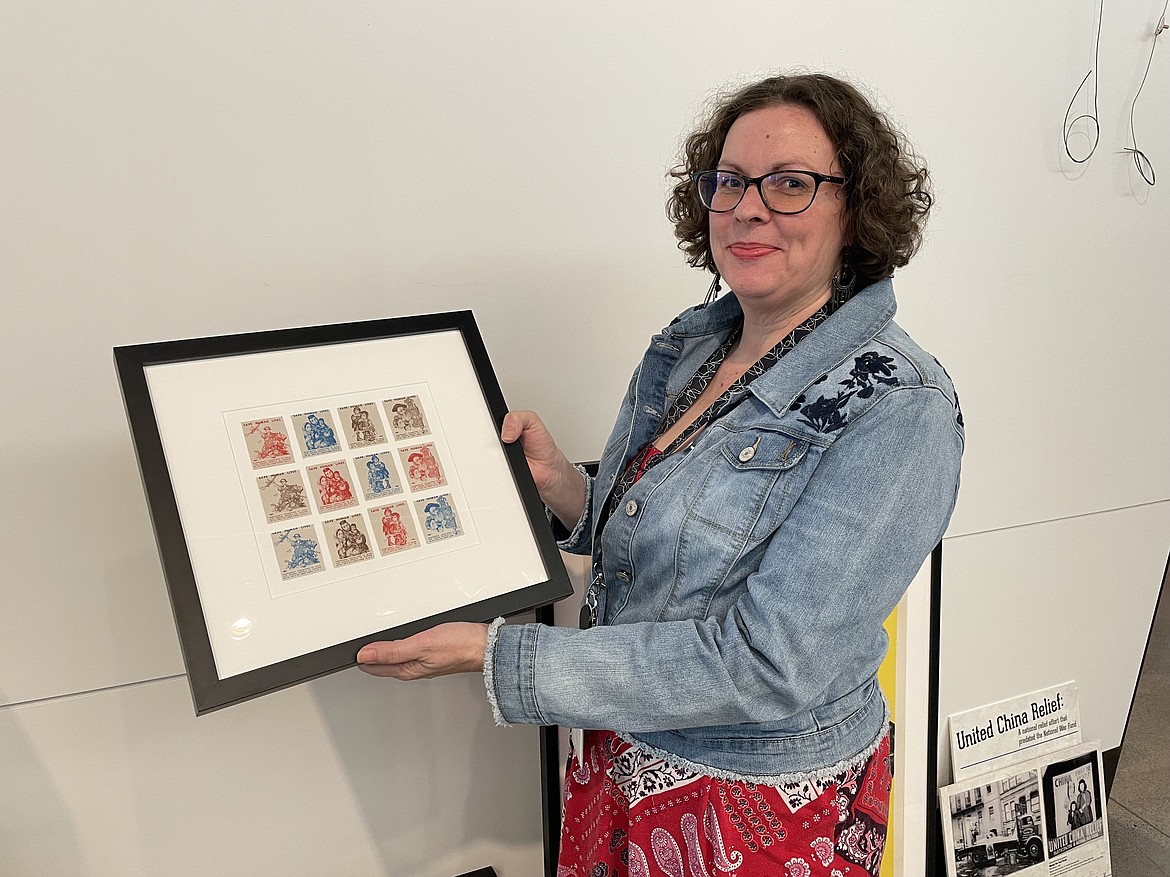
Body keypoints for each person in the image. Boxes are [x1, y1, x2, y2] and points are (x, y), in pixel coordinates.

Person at [358, 72, 963, 876]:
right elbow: (683, 534)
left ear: (856, 210)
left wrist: (498, 655)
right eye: (730, 181)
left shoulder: (898, 405)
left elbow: (767, 666)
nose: (749, 207)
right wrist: (567, 491)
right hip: (617, 752)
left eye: (790, 184)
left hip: (750, 813)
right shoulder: (693, 347)